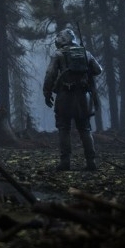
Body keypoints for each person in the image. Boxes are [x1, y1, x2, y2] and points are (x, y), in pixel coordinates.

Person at [43, 28, 103, 171]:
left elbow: (50, 74)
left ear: (61, 40)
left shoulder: (59, 54)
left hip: (65, 97)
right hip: (83, 97)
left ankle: (65, 162)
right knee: (85, 129)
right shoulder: (85, 53)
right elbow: (98, 70)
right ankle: (91, 162)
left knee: (64, 129)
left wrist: (47, 92)